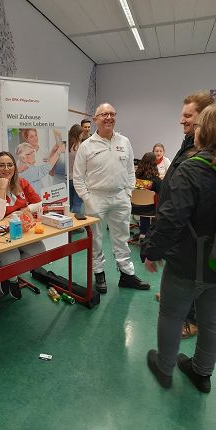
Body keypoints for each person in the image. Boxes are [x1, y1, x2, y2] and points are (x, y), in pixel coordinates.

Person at [143, 104, 216, 393]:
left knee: (171, 314)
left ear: (205, 130)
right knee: (211, 321)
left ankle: (164, 366)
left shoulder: (193, 169)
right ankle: (202, 371)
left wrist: (153, 250)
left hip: (187, 260)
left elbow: (172, 220)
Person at [153, 92, 215, 338]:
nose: (182, 120)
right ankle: (176, 297)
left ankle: (191, 319)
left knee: (191, 269)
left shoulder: (203, 149)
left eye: (188, 116)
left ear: (205, 118)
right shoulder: (189, 140)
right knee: (178, 267)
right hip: (178, 221)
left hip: (190, 227)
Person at [73, 103, 150, 293]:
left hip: (120, 197)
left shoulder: (124, 142)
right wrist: (87, 199)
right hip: (96, 198)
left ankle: (127, 275)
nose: (108, 117)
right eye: (104, 114)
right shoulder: (86, 146)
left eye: (112, 114)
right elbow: (78, 176)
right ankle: (99, 274)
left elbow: (131, 171)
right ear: (95, 119)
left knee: (122, 238)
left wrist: (128, 192)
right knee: (96, 239)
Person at [0, 151, 46, 299]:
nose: (6, 168)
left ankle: (9, 272)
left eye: (10, 165)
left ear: (15, 167)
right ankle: (13, 279)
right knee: (12, 255)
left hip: (21, 229)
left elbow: (39, 202)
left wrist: (26, 209)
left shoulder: (21, 182)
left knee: (39, 250)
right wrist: (2, 188)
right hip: (0, 233)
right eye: (1, 165)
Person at [131, 152, 162, 241]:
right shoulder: (156, 181)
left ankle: (143, 233)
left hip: (134, 207)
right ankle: (150, 233)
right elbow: (162, 193)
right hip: (151, 210)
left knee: (144, 206)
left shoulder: (135, 178)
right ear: (154, 164)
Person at [68, 124, 83, 214]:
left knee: (69, 205)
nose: (82, 136)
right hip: (77, 179)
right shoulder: (79, 146)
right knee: (77, 204)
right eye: (81, 134)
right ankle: (77, 226)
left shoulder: (66, 145)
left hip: (68, 179)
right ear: (77, 134)